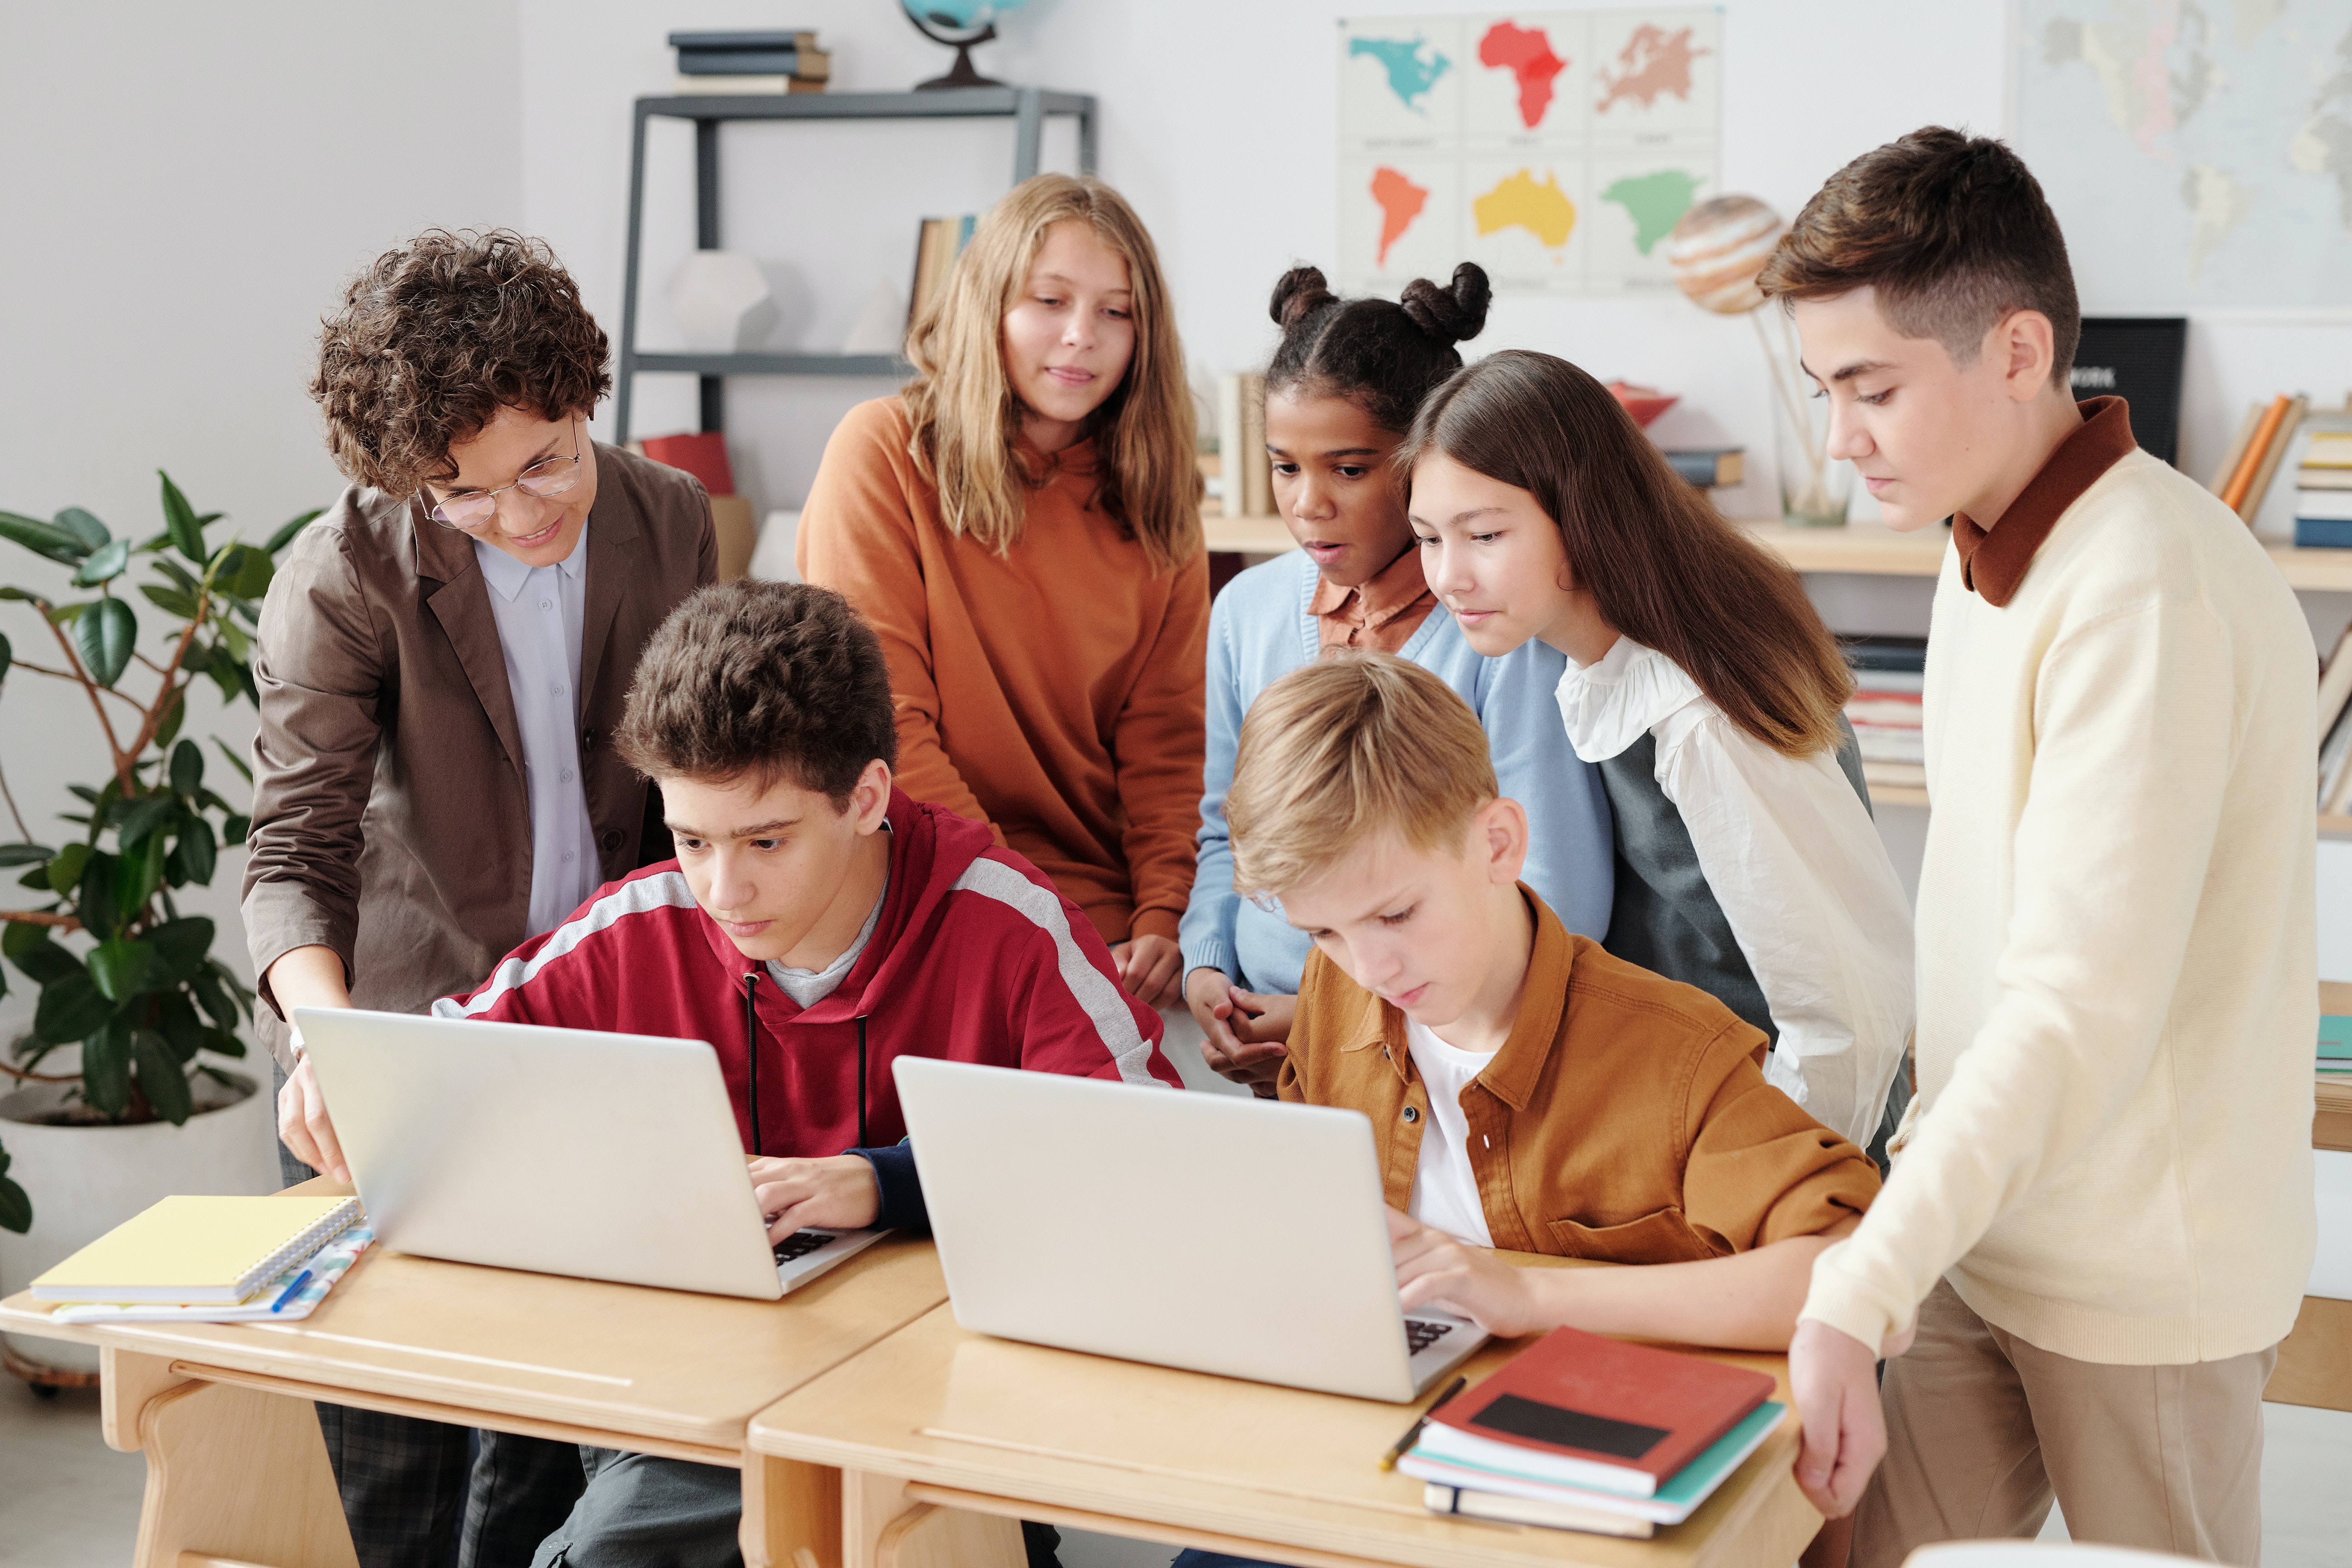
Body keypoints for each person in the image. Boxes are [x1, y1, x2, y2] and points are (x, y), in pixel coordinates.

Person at [1759, 128, 2317, 1568]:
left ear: (2016, 351)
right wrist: (1901, 1231)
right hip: (1981, 1231)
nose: (1840, 438)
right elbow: (1978, 934)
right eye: (1823, 390)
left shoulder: (2147, 588)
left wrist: (1855, 1280)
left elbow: (2075, 1004)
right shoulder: (1980, 541)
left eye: (1872, 388)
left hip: (2147, 1281)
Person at [417, 579, 1175, 1567]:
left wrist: (891, 1181)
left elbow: (1150, 1163)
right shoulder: (641, 921)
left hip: (935, 1410)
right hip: (688, 1393)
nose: (724, 890)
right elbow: (440, 1075)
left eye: (765, 842)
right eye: (693, 841)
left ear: (864, 798)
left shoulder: (1007, 922)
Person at [243, 228, 716, 1568]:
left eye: (545, 462)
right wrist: (330, 1046)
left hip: (602, 1049)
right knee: (394, 1481)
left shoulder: (666, 517)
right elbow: (293, 850)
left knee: (565, 1464)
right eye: (463, 493)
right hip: (399, 1050)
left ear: (586, 397)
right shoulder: (345, 570)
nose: (519, 514)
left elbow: (703, 780)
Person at [1397, 349, 1914, 1156]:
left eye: (1486, 535)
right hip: (1692, 1123)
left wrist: (1781, 1199)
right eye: (1428, 538)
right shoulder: (1599, 663)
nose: (1449, 576)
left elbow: (1845, 1020)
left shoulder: (1699, 713)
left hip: (1786, 1160)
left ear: (1582, 513)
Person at [1179, 264, 1613, 1094]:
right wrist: (1207, 967)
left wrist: (1332, 1016)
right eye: (1283, 467)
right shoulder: (1245, 611)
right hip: (1268, 1051)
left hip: (1448, 1057)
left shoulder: (1503, 633)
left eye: (1348, 470)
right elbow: (1223, 835)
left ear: (1427, 461)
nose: (1307, 505)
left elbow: (1556, 897)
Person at [798, 172, 1206, 1021]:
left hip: (1108, 919)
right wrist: (1026, 915)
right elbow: (887, 725)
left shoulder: (1160, 493)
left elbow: (1168, 741)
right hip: (925, 886)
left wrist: (1168, 915)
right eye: (1048, 300)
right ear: (989, 305)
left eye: (1116, 312)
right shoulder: (883, 453)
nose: (1080, 337)